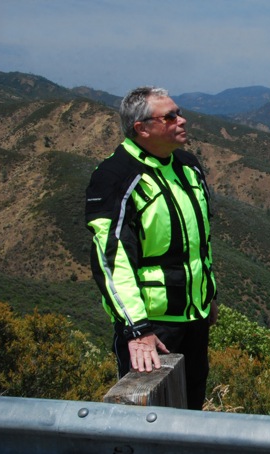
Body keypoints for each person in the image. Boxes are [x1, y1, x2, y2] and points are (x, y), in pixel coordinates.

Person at [85, 86, 217, 411]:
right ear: (141, 128)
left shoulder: (187, 165)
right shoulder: (115, 176)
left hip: (195, 317)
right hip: (154, 327)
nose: (182, 120)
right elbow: (110, 257)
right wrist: (136, 330)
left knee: (191, 407)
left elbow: (199, 240)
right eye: (170, 116)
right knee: (150, 413)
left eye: (179, 111)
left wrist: (209, 295)